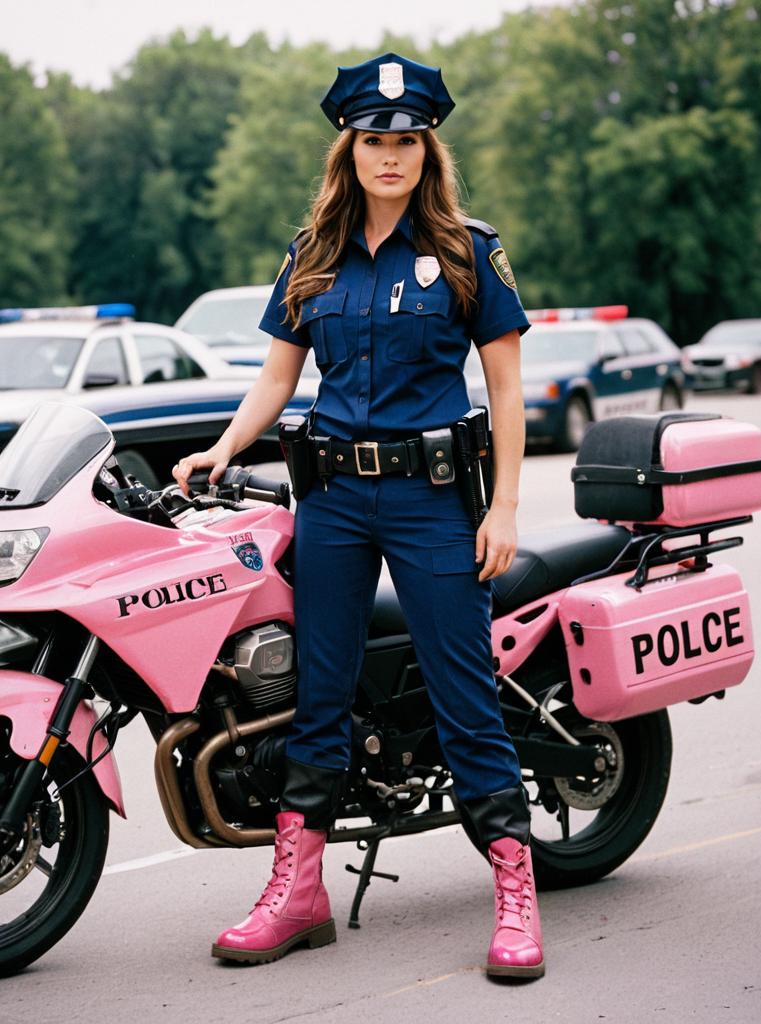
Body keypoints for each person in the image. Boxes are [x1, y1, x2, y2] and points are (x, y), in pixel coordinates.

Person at [173, 52, 544, 980]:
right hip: (330, 502)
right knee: (320, 694)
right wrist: (224, 448)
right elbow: (276, 377)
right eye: (375, 139)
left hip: (429, 503)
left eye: (407, 140)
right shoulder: (312, 253)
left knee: (466, 698)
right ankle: (298, 891)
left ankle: (514, 893)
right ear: (350, 147)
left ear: (427, 149)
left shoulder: (465, 247)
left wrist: (502, 505)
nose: (391, 155)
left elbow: (505, 387)